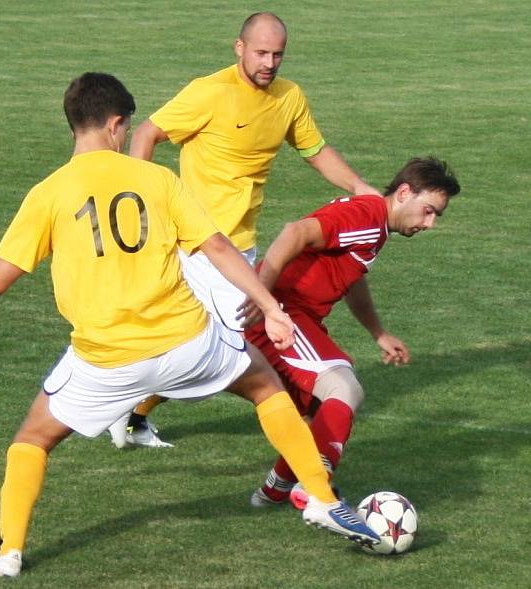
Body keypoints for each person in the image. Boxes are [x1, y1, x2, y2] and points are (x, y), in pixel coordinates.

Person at [0, 72, 381, 578]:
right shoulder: (158, 180)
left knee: (32, 439)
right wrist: (270, 306)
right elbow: (219, 248)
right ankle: (319, 495)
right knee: (265, 385)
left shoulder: (48, 193)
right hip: (188, 342)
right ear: (116, 124)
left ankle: (8, 554)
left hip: (106, 360)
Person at [114, 11, 381, 447]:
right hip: (198, 246)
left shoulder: (288, 97)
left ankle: (129, 409)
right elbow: (146, 134)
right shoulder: (209, 92)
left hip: (242, 248)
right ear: (239, 48)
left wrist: (358, 186)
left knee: (202, 346)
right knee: (239, 351)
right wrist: (143, 203)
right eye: (261, 52)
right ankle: (299, 434)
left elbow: (314, 149)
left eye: (278, 54)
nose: (269, 63)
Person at [241, 157, 461, 508]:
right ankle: (315, 492)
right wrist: (263, 300)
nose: (430, 223)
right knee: (343, 389)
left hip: (291, 316)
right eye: (428, 211)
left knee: (320, 413)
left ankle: (274, 492)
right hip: (281, 315)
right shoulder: (369, 217)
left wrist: (378, 332)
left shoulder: (376, 227)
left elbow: (352, 275)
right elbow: (293, 232)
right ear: (404, 193)